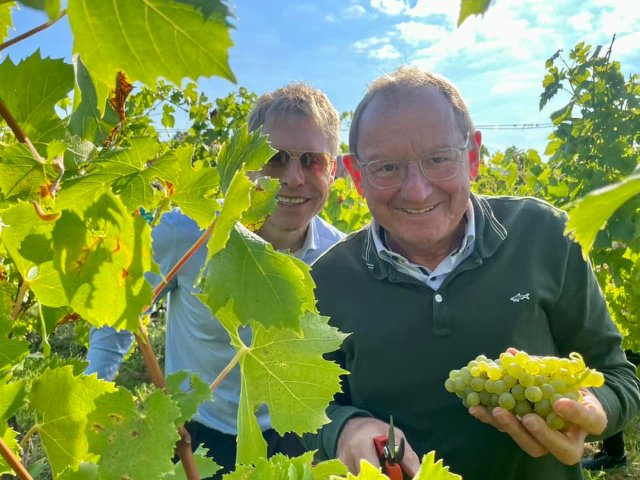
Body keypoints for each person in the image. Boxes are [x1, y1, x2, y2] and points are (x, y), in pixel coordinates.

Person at [307, 66, 640, 480]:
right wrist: (345, 428)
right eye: (387, 168)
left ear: (472, 157)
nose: (417, 190)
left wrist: (592, 410)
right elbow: (309, 406)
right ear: (357, 176)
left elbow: (619, 377)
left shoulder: (546, 236)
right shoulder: (326, 281)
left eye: (439, 159)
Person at [86, 83, 344, 478]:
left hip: (295, 432)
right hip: (199, 436)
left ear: (335, 169)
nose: (293, 178)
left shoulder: (337, 255)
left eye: (313, 160)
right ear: (246, 163)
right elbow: (122, 310)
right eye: (275, 159)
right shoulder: (187, 235)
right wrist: (91, 400)